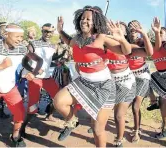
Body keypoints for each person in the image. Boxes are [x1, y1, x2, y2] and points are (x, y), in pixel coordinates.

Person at [53, 6, 131, 147]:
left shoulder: (101, 38)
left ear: (95, 22)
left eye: (88, 19)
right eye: (82, 18)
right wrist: (60, 31)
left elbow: (126, 51)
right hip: (83, 82)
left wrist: (122, 40)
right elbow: (68, 40)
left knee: (97, 129)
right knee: (58, 101)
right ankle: (72, 122)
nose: (84, 21)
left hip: (103, 87)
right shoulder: (77, 39)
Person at [0, 24, 43, 147]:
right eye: (17, 36)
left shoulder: (21, 48)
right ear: (6, 34)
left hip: (9, 88)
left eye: (22, 36)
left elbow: (38, 60)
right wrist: (1, 66)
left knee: (20, 112)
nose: (20, 39)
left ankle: (15, 135)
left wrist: (33, 72)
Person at [20, 23, 60, 137]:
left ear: (53, 33)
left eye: (50, 32)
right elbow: (24, 62)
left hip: (47, 78)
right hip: (35, 79)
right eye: (45, 31)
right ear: (41, 31)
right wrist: (34, 70)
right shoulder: (33, 44)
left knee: (59, 99)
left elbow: (48, 61)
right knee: (33, 107)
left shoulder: (53, 46)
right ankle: (22, 129)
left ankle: (49, 115)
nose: (48, 34)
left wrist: (58, 60)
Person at [127, 20, 153, 143]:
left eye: (136, 29)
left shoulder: (142, 42)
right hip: (129, 77)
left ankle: (137, 131)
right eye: (131, 29)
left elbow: (150, 52)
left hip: (142, 76)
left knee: (135, 106)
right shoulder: (124, 41)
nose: (133, 32)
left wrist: (144, 34)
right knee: (124, 104)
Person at [0, 21, 11, 119]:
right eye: (2, 29)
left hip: (5, 74)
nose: (4, 31)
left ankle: (1, 111)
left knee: (2, 96)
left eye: (5, 29)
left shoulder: (8, 43)